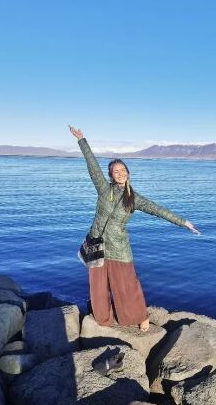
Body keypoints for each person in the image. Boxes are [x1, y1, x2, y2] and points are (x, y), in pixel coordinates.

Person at [69, 125, 200, 332]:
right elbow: (92, 166)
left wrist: (184, 222)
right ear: (111, 175)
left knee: (127, 284)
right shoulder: (104, 190)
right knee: (98, 287)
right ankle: (103, 319)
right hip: (96, 243)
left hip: (119, 247)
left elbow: (158, 210)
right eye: (115, 171)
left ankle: (139, 316)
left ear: (128, 173)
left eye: (123, 170)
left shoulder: (134, 198)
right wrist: (81, 140)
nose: (120, 173)